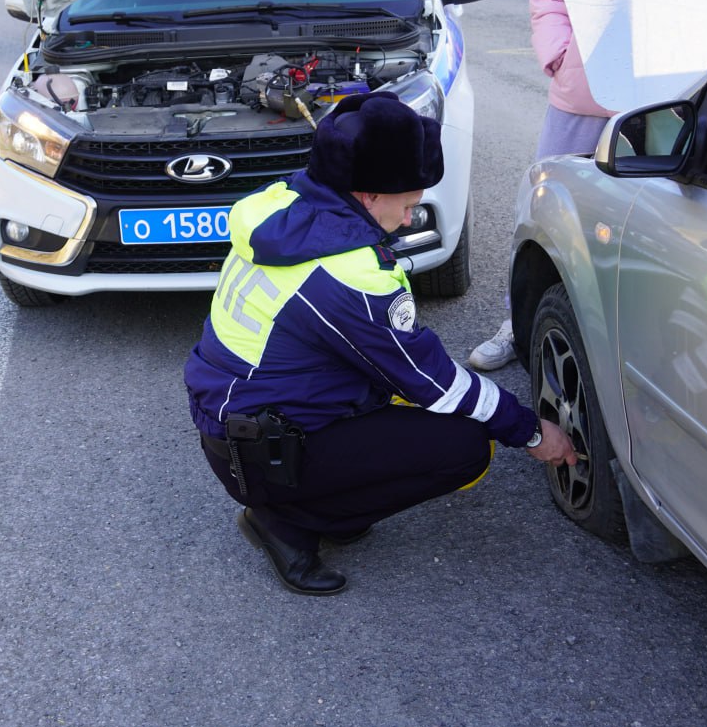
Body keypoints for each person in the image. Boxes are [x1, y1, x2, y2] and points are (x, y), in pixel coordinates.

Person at [184, 92, 576, 596]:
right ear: (368, 195)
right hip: (263, 452)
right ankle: (284, 522)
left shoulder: (284, 205)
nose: (412, 218)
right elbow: (436, 383)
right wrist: (530, 432)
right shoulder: (346, 275)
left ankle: (327, 498)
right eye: (409, 204)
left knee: (403, 408)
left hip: (238, 424)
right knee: (465, 446)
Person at [469, 0, 618, 372]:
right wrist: (559, 55)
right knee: (543, 213)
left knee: (650, 229)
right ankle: (519, 322)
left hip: (670, 100)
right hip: (580, 98)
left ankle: (624, 341)